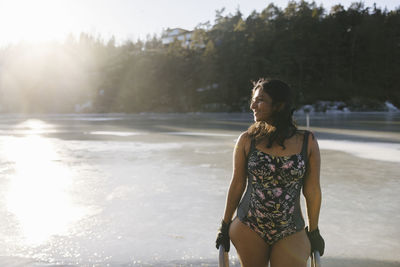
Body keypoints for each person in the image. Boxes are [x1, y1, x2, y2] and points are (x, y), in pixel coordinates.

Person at [216, 78, 324, 267]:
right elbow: (237, 183)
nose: (252, 106)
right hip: (249, 225)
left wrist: (313, 231)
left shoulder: (308, 142)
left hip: (291, 229)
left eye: (260, 100)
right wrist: (224, 226)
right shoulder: (247, 140)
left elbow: (312, 190)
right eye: (253, 100)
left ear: (279, 105)